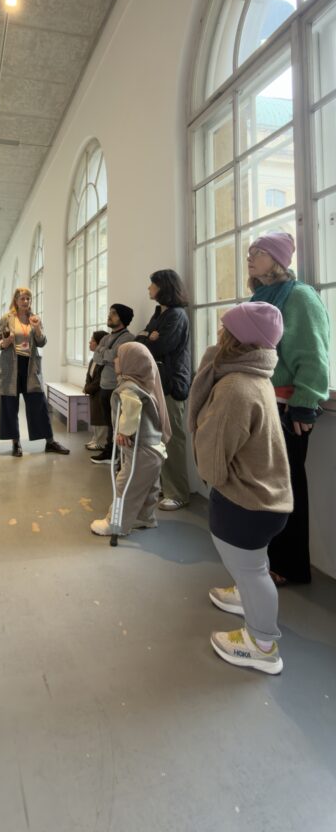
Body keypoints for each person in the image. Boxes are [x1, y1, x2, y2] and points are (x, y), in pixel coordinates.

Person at [189, 302, 292, 675]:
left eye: (225, 327)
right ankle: (244, 594)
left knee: (253, 572)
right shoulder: (256, 376)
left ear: (236, 338)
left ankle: (262, 645)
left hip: (246, 503)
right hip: (268, 500)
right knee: (255, 565)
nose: (219, 331)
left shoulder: (234, 386)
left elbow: (215, 455)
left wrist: (209, 479)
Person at [247, 232, 330, 585]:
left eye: (259, 252)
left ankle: (290, 565)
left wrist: (305, 404)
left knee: (287, 485)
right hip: (261, 400)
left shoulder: (300, 296)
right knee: (263, 486)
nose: (249, 256)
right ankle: (266, 557)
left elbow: (314, 353)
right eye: (249, 251)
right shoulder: (260, 295)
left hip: (286, 407)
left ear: (278, 260)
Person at [91, 341, 171, 537]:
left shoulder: (128, 386)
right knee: (149, 488)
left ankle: (115, 524)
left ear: (131, 362)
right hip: (154, 448)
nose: (116, 360)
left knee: (125, 487)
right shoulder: (145, 384)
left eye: (119, 357)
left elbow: (132, 407)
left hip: (140, 450)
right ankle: (145, 517)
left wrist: (124, 431)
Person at [136, 269, 191, 510]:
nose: (149, 289)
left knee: (172, 440)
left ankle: (178, 493)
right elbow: (140, 343)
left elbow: (159, 348)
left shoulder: (176, 315)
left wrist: (150, 338)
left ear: (164, 288)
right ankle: (164, 487)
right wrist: (150, 337)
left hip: (171, 385)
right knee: (156, 438)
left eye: (153, 285)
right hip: (156, 383)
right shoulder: (160, 313)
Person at [0, 287, 69, 457]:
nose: (26, 301)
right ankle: (15, 442)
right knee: (9, 406)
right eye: (22, 298)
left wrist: (38, 329)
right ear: (16, 300)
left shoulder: (34, 319)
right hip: (10, 366)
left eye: (28, 298)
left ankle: (50, 442)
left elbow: (41, 343)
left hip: (30, 366)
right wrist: (5, 342)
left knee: (39, 404)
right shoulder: (7, 319)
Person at [90, 304, 135, 464]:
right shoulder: (106, 337)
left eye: (114, 314)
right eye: (110, 313)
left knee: (117, 424)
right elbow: (97, 357)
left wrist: (103, 353)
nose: (109, 316)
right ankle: (110, 452)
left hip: (117, 387)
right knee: (109, 422)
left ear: (122, 318)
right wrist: (105, 354)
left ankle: (117, 456)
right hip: (104, 385)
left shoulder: (128, 338)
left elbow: (113, 356)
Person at [83, 330, 108, 450]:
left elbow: (99, 379)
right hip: (93, 392)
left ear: (99, 344)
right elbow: (89, 376)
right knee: (95, 417)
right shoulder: (93, 359)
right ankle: (95, 439)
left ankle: (101, 442)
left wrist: (88, 388)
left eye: (92, 340)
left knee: (101, 418)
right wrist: (87, 386)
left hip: (99, 392)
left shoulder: (103, 360)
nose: (90, 342)